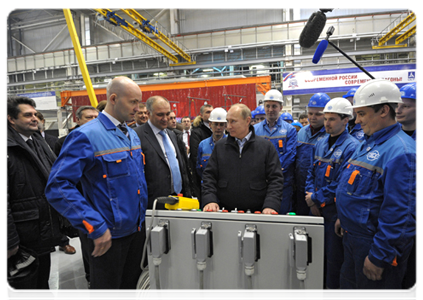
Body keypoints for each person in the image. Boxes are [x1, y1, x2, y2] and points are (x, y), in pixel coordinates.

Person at [45, 76, 148, 300]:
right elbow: (58, 186)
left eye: (139, 103)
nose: (138, 109)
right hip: (108, 235)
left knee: (129, 291)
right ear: (113, 98)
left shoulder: (130, 134)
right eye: (133, 102)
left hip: (136, 231)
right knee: (107, 293)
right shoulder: (86, 136)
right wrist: (93, 224)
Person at [334, 79, 420, 300]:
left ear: (383, 110)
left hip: (374, 246)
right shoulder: (368, 142)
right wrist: (344, 217)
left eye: (362, 113)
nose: (357, 120)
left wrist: (380, 256)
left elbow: (402, 214)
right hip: (353, 239)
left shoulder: (402, 152)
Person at [6, 96, 63, 300]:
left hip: (42, 229)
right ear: (11, 119)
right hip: (21, 236)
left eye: (34, 114)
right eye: (27, 115)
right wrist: (8, 241)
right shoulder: (7, 148)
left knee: (42, 287)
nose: (34, 118)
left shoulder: (38, 141)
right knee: (24, 289)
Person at [305, 98, 359, 300]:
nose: (326, 123)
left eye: (332, 119)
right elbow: (309, 173)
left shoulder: (353, 147)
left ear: (346, 120)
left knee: (334, 260)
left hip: (335, 212)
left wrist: (317, 199)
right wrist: (311, 198)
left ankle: (332, 295)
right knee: (317, 257)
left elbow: (342, 184)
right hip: (316, 209)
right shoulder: (319, 143)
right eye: (325, 118)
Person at [202, 103, 284, 214]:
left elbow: (276, 179)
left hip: (258, 213)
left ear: (247, 121)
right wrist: (209, 200)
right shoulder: (220, 147)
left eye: (233, 121)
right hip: (226, 212)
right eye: (228, 121)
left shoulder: (266, 147)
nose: (228, 126)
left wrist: (271, 204)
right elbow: (209, 176)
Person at [54, 105, 98, 287]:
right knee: (87, 242)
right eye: (89, 117)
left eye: (97, 116)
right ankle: (90, 277)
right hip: (82, 200)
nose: (94, 120)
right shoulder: (64, 142)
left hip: (100, 199)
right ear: (77, 120)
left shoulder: (103, 139)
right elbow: (62, 177)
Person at [134, 96, 192, 210]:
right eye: (160, 115)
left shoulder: (172, 135)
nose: (165, 118)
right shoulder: (137, 136)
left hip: (178, 200)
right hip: (154, 204)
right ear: (149, 113)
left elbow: (181, 167)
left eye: (168, 114)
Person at [254, 89, 297, 214]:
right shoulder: (255, 130)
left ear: (281, 107)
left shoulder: (289, 130)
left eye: (274, 106)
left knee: (282, 216)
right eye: (268, 106)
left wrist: (274, 171)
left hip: (283, 182)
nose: (270, 109)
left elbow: (290, 154)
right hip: (260, 182)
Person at [396, 82, 420, 300]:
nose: (399, 110)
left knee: (414, 279)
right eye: (398, 105)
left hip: (417, 222)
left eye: (406, 106)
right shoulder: (394, 139)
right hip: (396, 222)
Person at [295, 93, 330, 215]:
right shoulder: (302, 132)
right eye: (310, 113)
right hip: (300, 189)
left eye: (318, 114)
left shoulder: (331, 135)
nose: (313, 117)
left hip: (319, 192)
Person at [189, 104, 214, 199]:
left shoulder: (218, 131)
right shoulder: (197, 132)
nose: (210, 114)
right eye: (208, 112)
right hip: (202, 175)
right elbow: (195, 156)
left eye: (212, 111)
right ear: (201, 115)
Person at [196, 107, 227, 179]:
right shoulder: (203, 145)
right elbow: (199, 168)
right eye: (215, 124)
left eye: (221, 124)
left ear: (226, 125)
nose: (218, 127)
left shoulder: (232, 143)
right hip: (208, 186)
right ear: (210, 124)